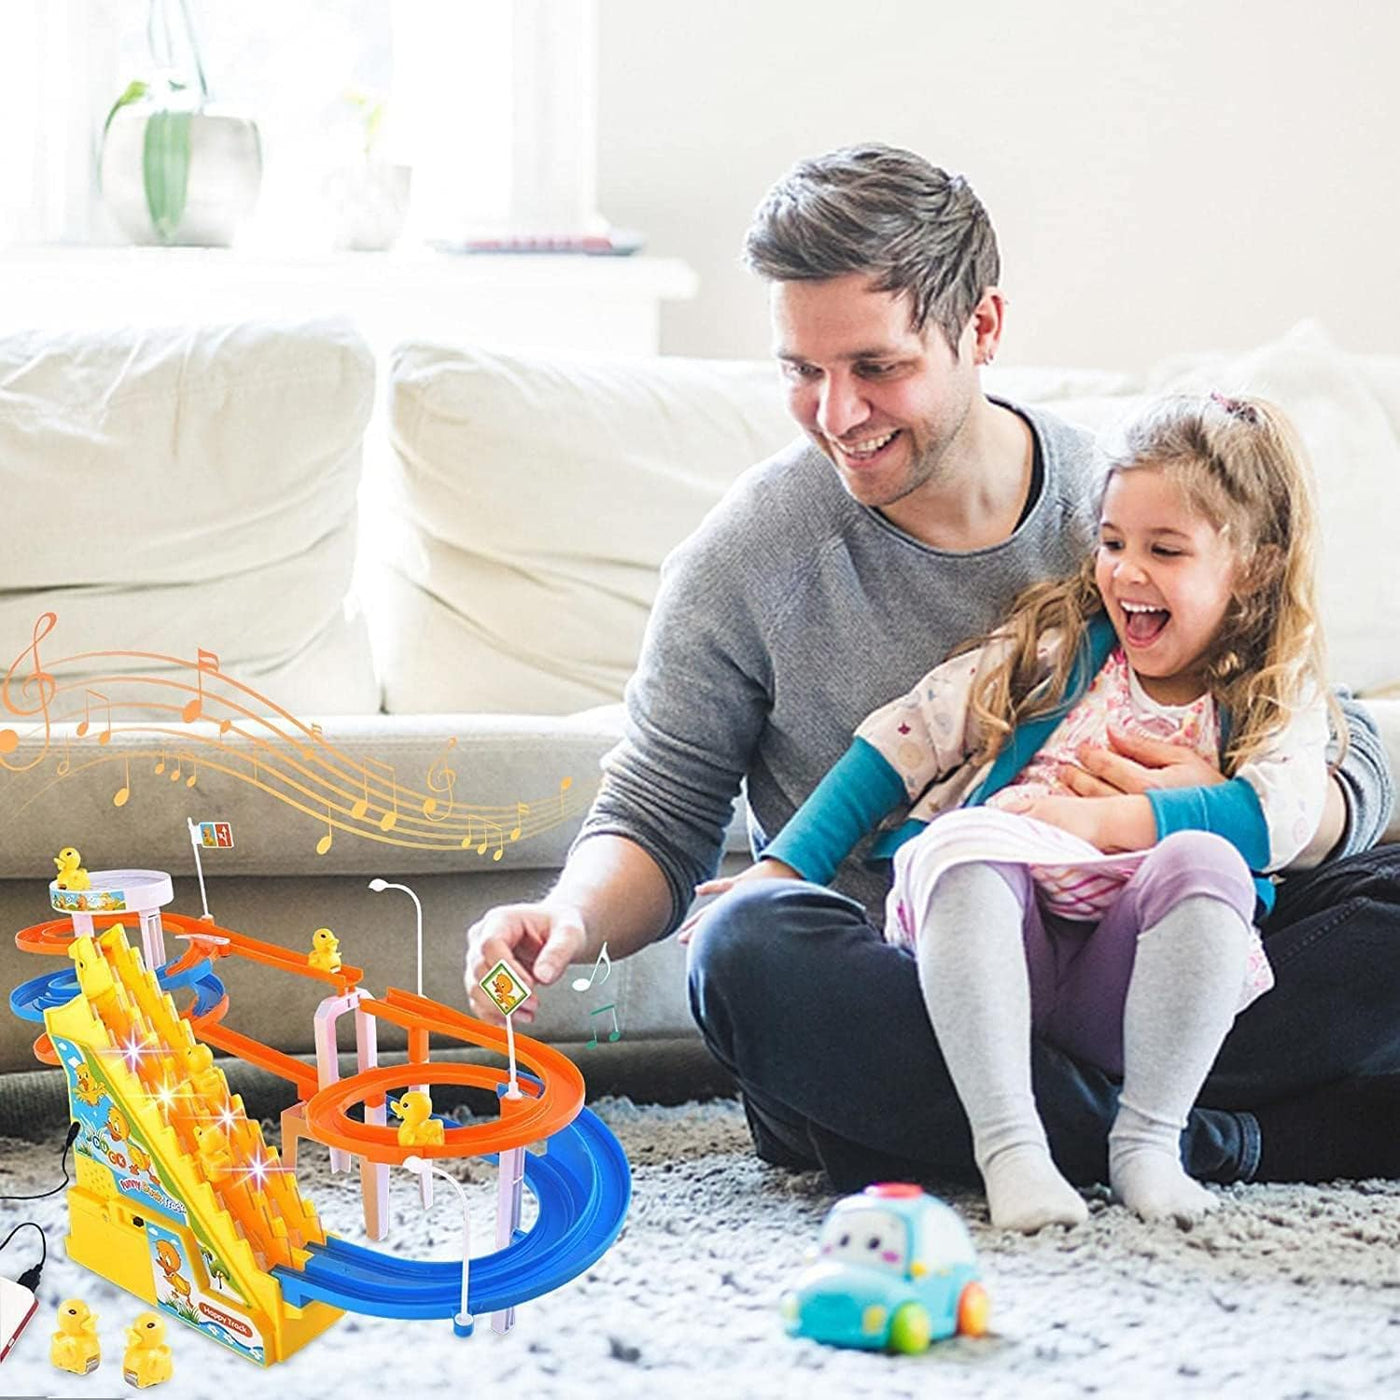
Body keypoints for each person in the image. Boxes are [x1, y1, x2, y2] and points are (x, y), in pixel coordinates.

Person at [465, 144, 1399, 1196]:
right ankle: (1218, 1139)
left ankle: (1011, 1129)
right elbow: (653, 812)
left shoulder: (1130, 506)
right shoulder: (747, 560)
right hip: (915, 982)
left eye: (874, 366)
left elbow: (1336, 738)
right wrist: (570, 917)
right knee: (743, 950)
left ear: (981, 329)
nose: (835, 413)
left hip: (1157, 947)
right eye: (799, 371)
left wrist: (1206, 813)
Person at [687, 392, 1335, 1231]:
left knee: (1211, 863)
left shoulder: (1275, 691)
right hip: (992, 959)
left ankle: (1148, 1142)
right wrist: (782, 868)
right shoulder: (1058, 648)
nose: (1126, 572)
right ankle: (1011, 1148)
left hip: (1138, 979)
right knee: (955, 849)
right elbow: (906, 740)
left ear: (1251, 565)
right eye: (1112, 543)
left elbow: (1286, 811)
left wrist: (1110, 824)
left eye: (1165, 550)